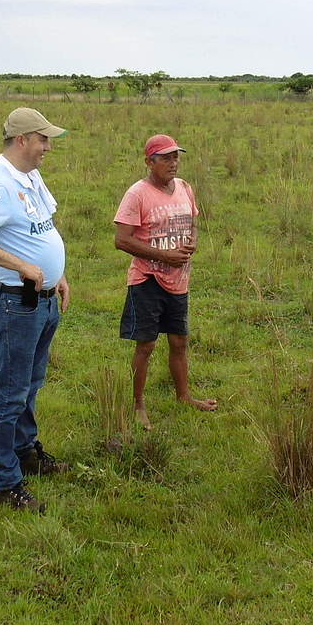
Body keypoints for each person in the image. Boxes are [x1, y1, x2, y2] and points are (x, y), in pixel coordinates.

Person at [0, 107, 71, 512]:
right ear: (22, 140)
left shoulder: (30, 176)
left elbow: (41, 227)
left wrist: (58, 275)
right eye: (42, 139)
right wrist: (21, 266)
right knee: (9, 391)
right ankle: (6, 482)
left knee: (31, 382)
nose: (47, 148)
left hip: (43, 299)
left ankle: (25, 452)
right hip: (15, 302)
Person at [114, 134, 218, 429]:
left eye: (176, 157)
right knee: (145, 345)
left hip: (178, 280)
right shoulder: (138, 194)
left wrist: (192, 243)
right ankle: (137, 405)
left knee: (178, 341)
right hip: (147, 279)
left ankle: (184, 396)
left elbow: (193, 223)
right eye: (166, 158)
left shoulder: (185, 187)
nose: (173, 162)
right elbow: (121, 240)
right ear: (149, 162)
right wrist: (164, 255)